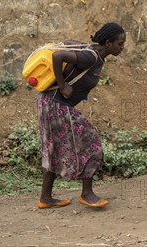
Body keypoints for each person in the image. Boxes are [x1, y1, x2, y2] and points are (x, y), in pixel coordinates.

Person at [36, 22, 126, 208]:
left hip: (49, 102)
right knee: (91, 143)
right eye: (119, 43)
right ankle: (87, 194)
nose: (122, 47)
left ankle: (45, 198)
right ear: (108, 43)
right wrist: (63, 86)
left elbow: (68, 43)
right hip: (56, 104)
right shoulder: (91, 56)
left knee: (52, 147)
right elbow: (59, 55)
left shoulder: (93, 52)